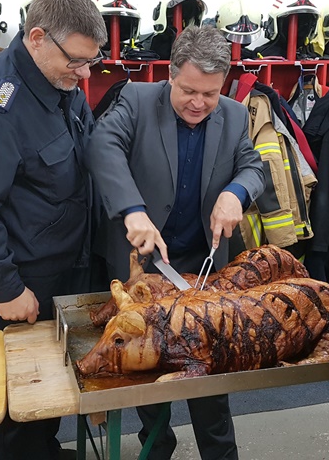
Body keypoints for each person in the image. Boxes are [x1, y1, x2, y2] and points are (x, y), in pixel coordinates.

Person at [0, 0, 107, 460]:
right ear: (37, 37)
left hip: (63, 269)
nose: (85, 72)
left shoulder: (60, 84)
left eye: (90, 61)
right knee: (21, 408)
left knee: (51, 393)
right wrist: (5, 289)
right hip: (21, 284)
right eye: (76, 60)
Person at [86, 24, 265, 460]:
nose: (199, 103)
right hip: (145, 263)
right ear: (170, 73)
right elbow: (102, 145)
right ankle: (156, 445)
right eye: (188, 91)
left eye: (210, 94)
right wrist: (132, 209)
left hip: (203, 267)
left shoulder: (235, 114)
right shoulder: (135, 99)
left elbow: (254, 167)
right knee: (149, 371)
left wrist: (235, 193)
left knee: (210, 373)